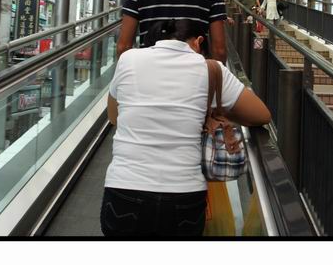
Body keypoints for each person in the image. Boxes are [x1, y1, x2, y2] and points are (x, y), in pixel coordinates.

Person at [102, 19, 271, 237]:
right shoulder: (210, 69)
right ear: (199, 42)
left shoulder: (128, 60)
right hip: (184, 196)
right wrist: (208, 108)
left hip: (123, 189)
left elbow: (114, 116)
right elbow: (261, 115)